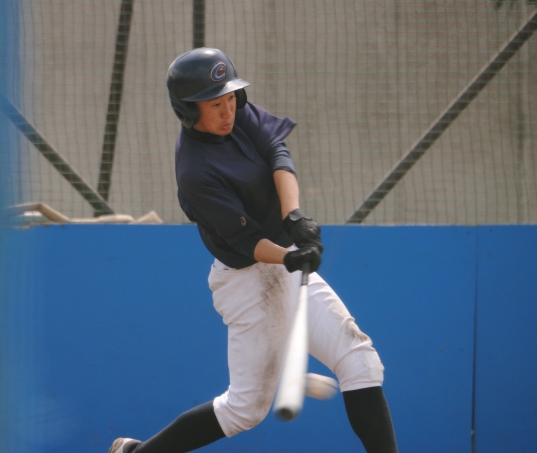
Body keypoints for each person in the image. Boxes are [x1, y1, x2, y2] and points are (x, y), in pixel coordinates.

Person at [109, 48, 398, 453]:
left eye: (230, 97)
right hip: (246, 279)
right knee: (245, 410)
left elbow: (277, 151)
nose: (228, 110)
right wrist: (290, 256)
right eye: (215, 104)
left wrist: (294, 218)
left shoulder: (236, 114)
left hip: (283, 256)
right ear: (188, 111)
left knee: (359, 359)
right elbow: (246, 241)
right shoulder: (194, 171)